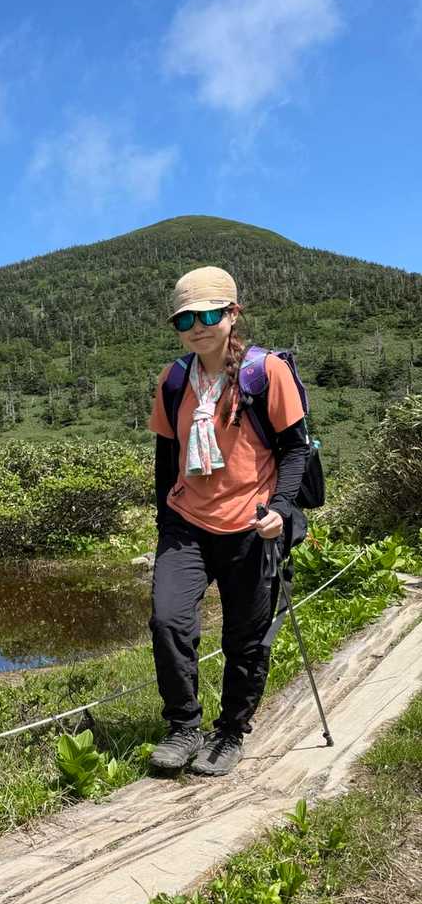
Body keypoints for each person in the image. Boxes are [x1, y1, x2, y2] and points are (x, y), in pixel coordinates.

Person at [146, 266, 310, 776]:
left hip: (252, 525)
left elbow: (295, 449)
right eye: (185, 319)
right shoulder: (174, 380)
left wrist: (280, 509)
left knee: (245, 636)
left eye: (208, 315)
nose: (197, 327)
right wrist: (164, 520)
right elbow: (166, 456)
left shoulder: (266, 372)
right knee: (168, 620)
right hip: (186, 522)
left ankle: (231, 730)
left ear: (232, 314)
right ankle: (183, 726)